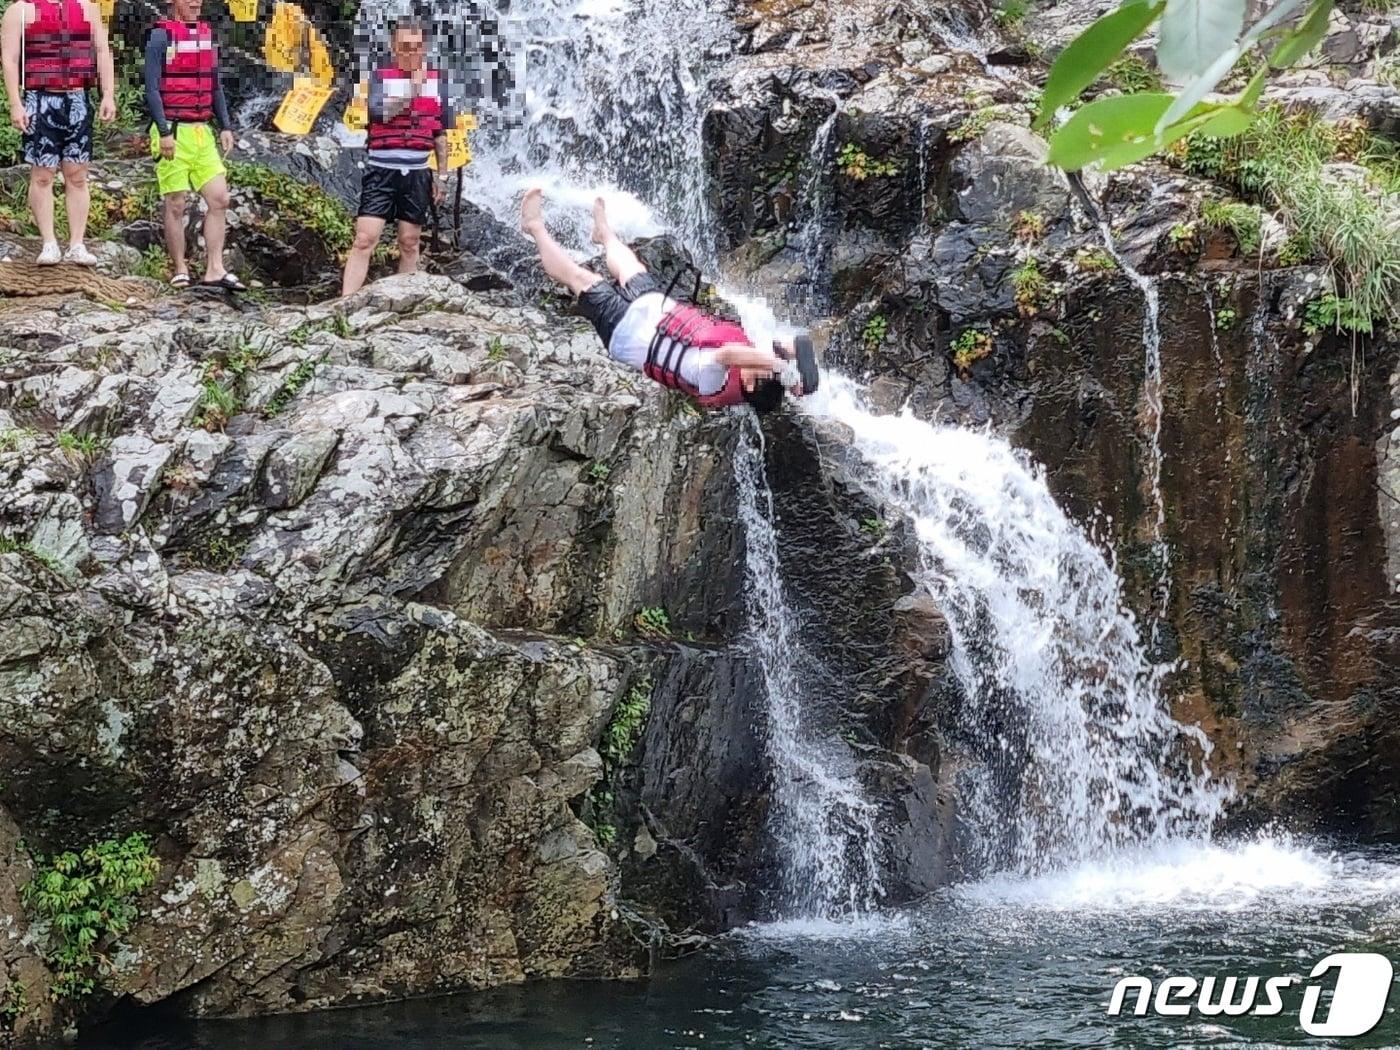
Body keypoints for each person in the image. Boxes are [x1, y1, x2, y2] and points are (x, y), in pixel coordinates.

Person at [520, 189, 819, 412]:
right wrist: (791, 361)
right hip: (656, 312)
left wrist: (780, 369)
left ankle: (534, 227)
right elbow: (786, 347)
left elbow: (729, 353)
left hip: (627, 332)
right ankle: (604, 234)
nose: (763, 361)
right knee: (630, 267)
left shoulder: (714, 379)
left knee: (581, 279)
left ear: (751, 383)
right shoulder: (750, 369)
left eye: (764, 369)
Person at [340, 19, 451, 297]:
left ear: (424, 48)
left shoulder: (439, 82)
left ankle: (402, 303)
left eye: (415, 47)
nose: (410, 53)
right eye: (403, 47)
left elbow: (440, 134)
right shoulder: (380, 78)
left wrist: (442, 175)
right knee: (365, 238)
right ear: (393, 47)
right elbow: (379, 114)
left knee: (410, 241)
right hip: (382, 170)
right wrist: (412, 90)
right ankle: (344, 302)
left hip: (417, 173)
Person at [0, 0, 115, 265]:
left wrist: (107, 94)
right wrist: (16, 104)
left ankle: (77, 243)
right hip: (40, 99)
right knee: (42, 173)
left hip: (77, 97)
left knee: (77, 174)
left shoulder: (87, 8)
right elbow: (9, 59)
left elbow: (102, 50)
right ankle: (49, 242)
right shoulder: (20, 10)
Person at [144, 0, 243, 290]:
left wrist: (224, 124)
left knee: (220, 198)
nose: (195, 2)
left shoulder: (204, 35)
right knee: (176, 203)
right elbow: (151, 88)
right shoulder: (160, 36)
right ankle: (180, 268)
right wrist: (163, 131)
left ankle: (215, 268)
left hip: (201, 132)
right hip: (173, 131)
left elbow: (214, 85)